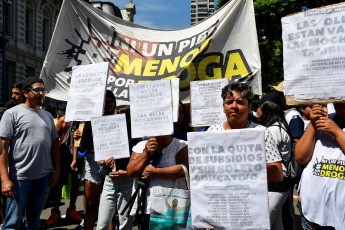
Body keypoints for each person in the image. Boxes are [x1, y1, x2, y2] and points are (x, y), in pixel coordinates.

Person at [0, 77, 60, 230]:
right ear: (26, 93)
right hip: (19, 179)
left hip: (43, 179)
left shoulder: (46, 115)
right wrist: (5, 179)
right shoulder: (11, 114)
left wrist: (56, 170)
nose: (41, 94)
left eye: (43, 90)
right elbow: (3, 149)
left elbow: (54, 146)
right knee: (12, 224)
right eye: (37, 90)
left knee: (34, 222)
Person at [207, 82, 283, 182]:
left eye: (240, 102)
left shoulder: (261, 132)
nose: (234, 106)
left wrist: (245, 167)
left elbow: (277, 175)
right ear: (223, 107)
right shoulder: (212, 132)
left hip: (250, 195)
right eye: (229, 102)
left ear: (249, 107)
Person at [295, 103, 345, 229]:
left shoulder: (332, 126)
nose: (343, 108)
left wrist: (337, 132)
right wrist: (313, 123)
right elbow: (301, 157)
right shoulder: (325, 120)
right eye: (340, 103)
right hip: (312, 213)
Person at [72, 90, 116, 230]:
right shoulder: (88, 120)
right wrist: (78, 135)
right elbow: (81, 149)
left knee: (111, 208)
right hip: (93, 162)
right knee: (91, 207)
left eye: (110, 102)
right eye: (104, 103)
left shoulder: (119, 117)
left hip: (112, 163)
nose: (107, 105)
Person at [127, 135, 188, 230]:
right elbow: (131, 172)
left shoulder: (181, 145)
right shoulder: (141, 146)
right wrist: (146, 153)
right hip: (146, 206)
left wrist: (156, 172)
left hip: (170, 209)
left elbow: (184, 170)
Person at [96, 105, 139, 230]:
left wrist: (125, 173)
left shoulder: (136, 138)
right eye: (114, 116)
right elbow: (99, 159)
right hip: (109, 182)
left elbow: (140, 165)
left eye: (119, 117)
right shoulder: (108, 133)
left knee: (125, 223)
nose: (115, 119)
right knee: (102, 223)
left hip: (127, 182)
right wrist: (104, 162)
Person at [256, 101, 293, 229]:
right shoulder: (279, 125)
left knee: (262, 224)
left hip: (276, 184)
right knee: (277, 224)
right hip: (280, 183)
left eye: (259, 107)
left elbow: (263, 154)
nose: (256, 110)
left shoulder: (273, 130)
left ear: (267, 111)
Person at [46, 117, 83, 225]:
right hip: (63, 156)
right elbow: (53, 138)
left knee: (76, 182)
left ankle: (72, 209)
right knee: (59, 183)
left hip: (78, 157)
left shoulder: (84, 120)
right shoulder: (63, 120)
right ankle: (55, 211)